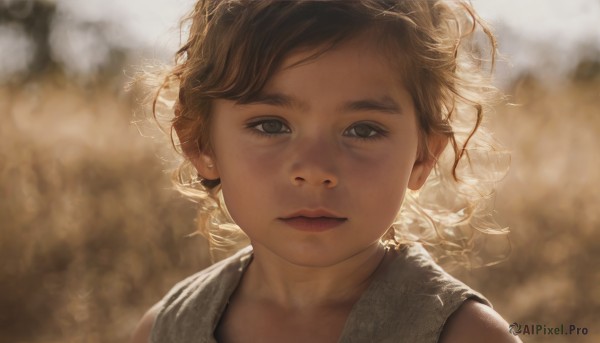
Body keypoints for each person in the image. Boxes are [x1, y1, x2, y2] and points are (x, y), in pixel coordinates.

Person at [132, 0, 520, 342]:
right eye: (271, 125)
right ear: (200, 143)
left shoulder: (467, 336)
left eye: (363, 130)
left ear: (423, 157)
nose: (315, 170)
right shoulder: (167, 330)